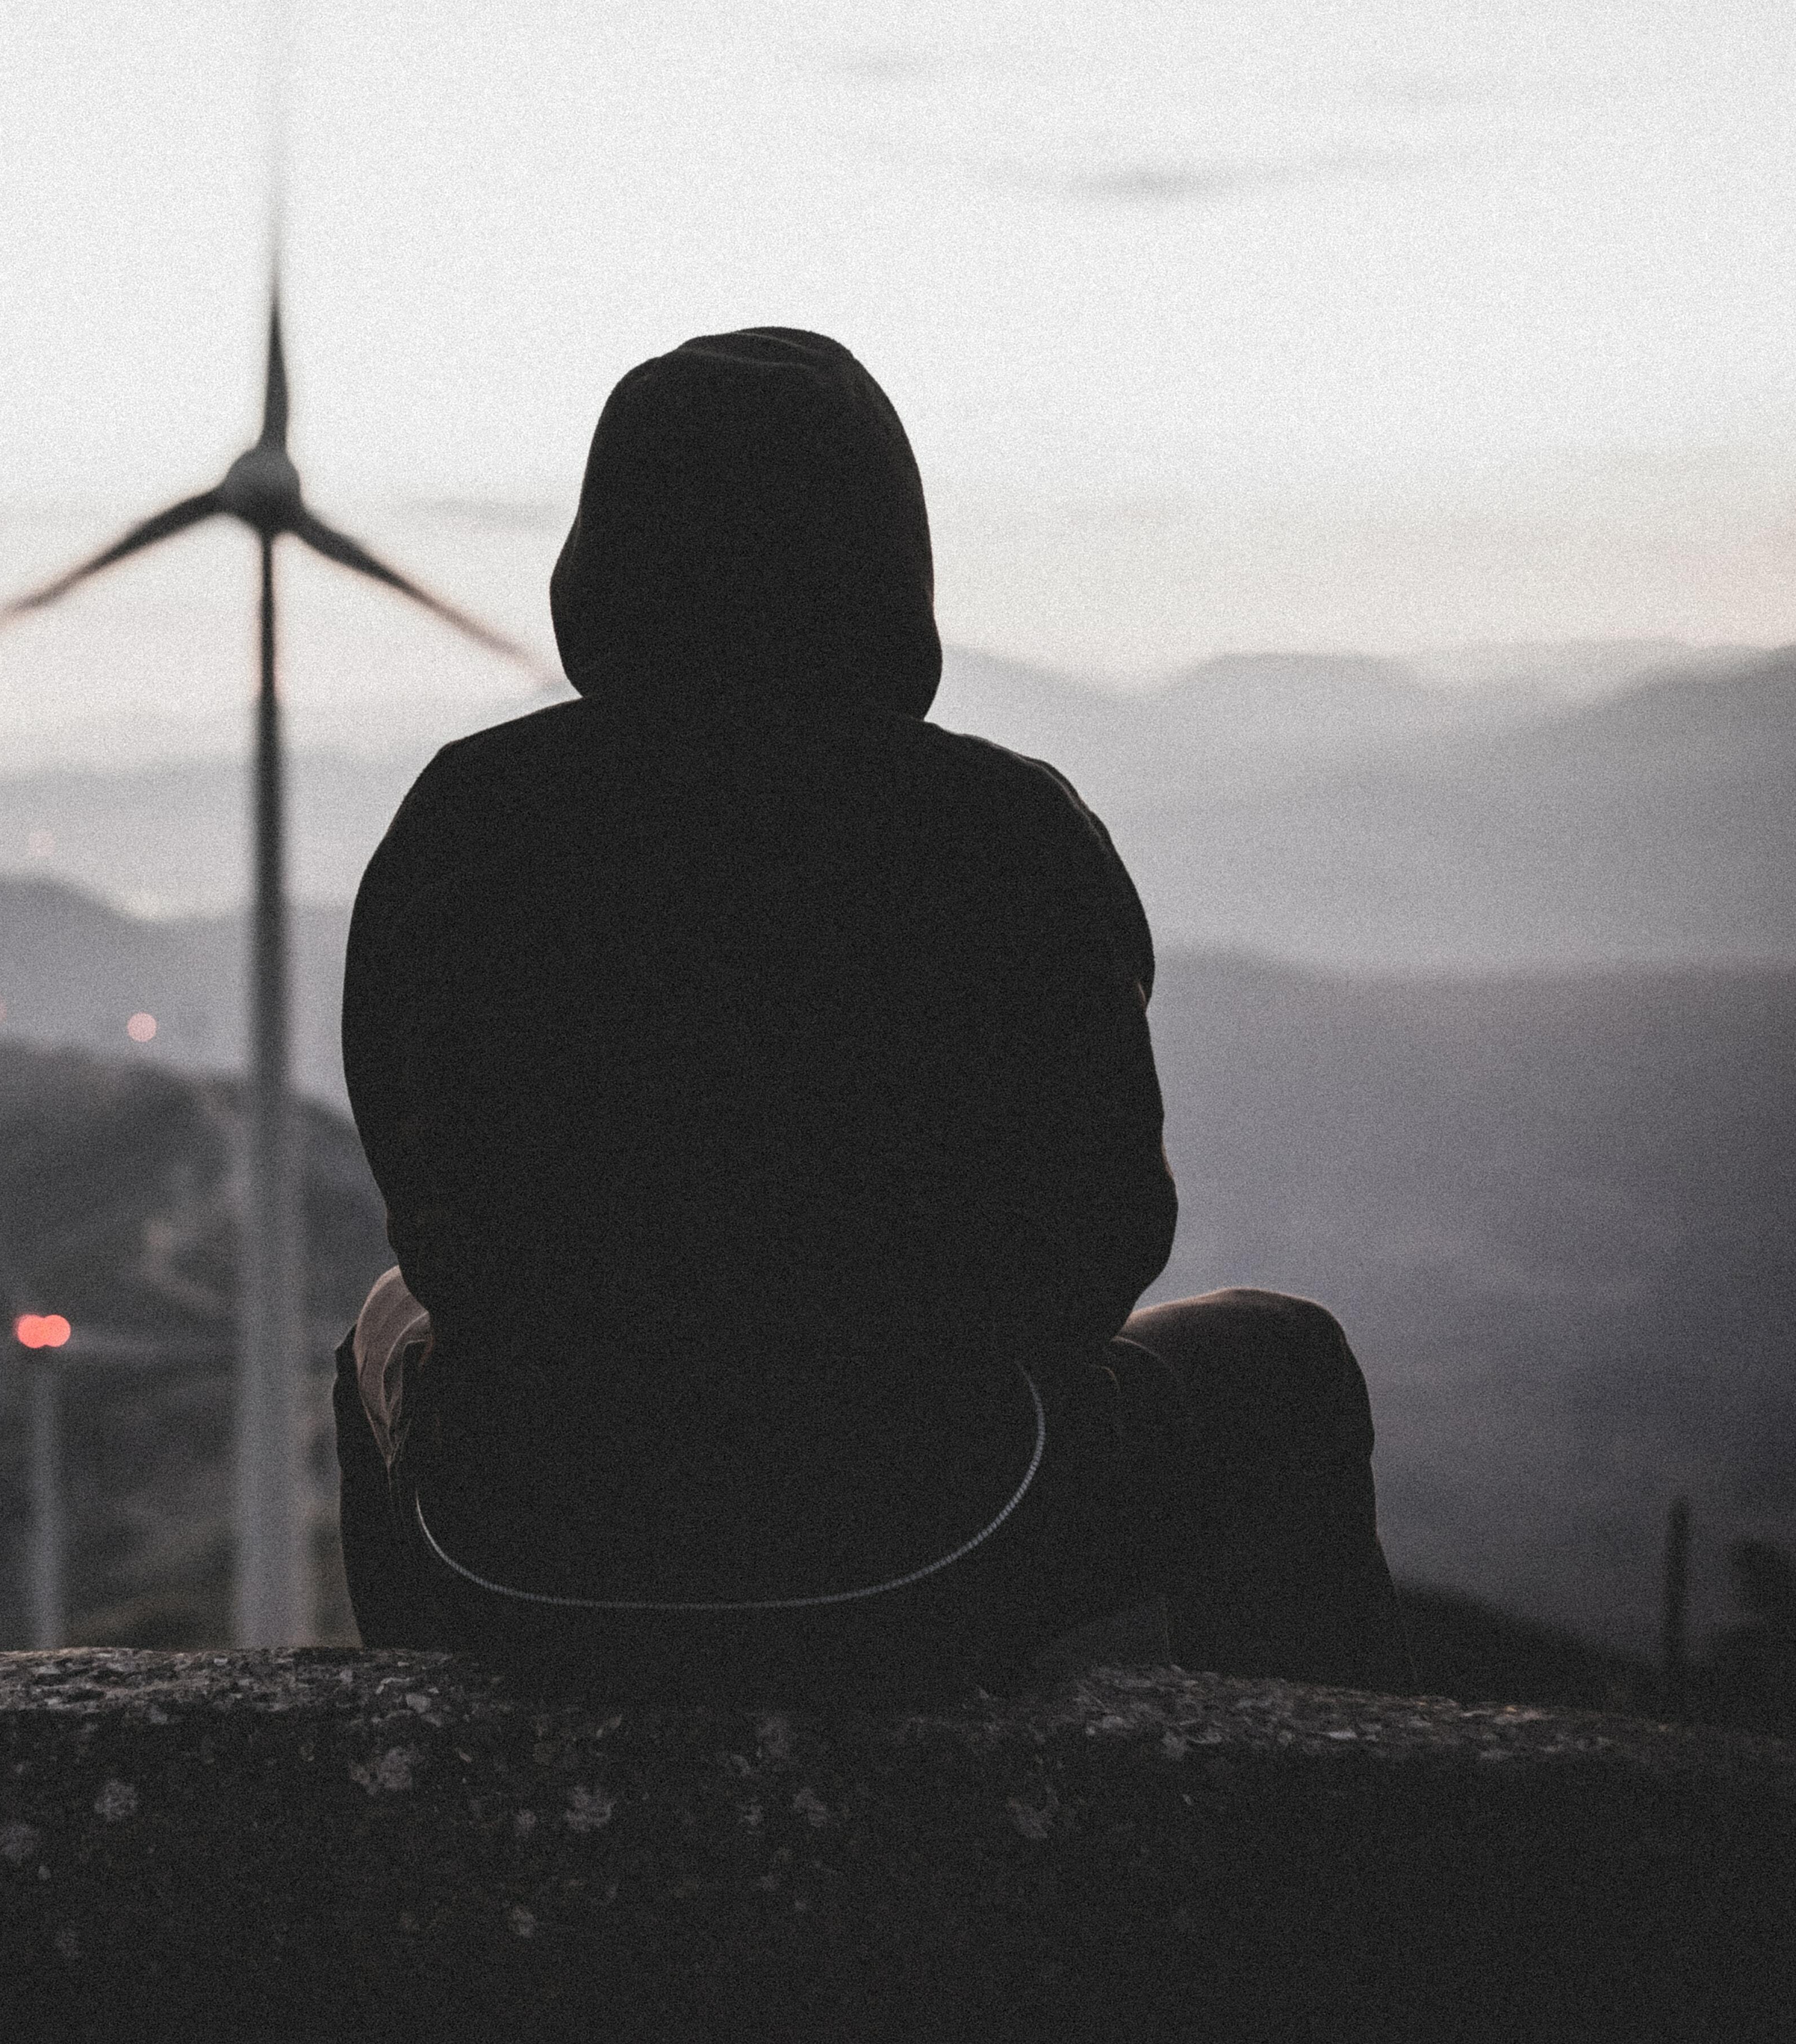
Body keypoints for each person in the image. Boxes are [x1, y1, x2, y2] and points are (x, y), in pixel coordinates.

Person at [333, 328, 1403, 1698]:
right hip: (938, 1544)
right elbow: (1103, 1237)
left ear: (598, 556)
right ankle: (1325, 1844)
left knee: (379, 1318)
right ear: (888, 556)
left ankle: (437, 1768)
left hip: (524, 1549)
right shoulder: (1001, 826)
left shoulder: (465, 817)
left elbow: (424, 1200)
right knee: (1282, 1361)